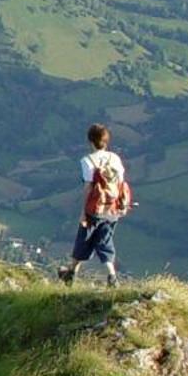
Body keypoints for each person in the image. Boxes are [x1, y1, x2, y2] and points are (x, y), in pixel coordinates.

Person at [60, 122, 132, 286]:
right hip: (113, 209)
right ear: (106, 141)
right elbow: (121, 182)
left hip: (95, 209)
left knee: (84, 240)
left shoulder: (87, 161)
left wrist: (84, 211)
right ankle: (111, 276)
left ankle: (70, 273)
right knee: (104, 241)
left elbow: (88, 187)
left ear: (90, 141)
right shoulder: (115, 158)